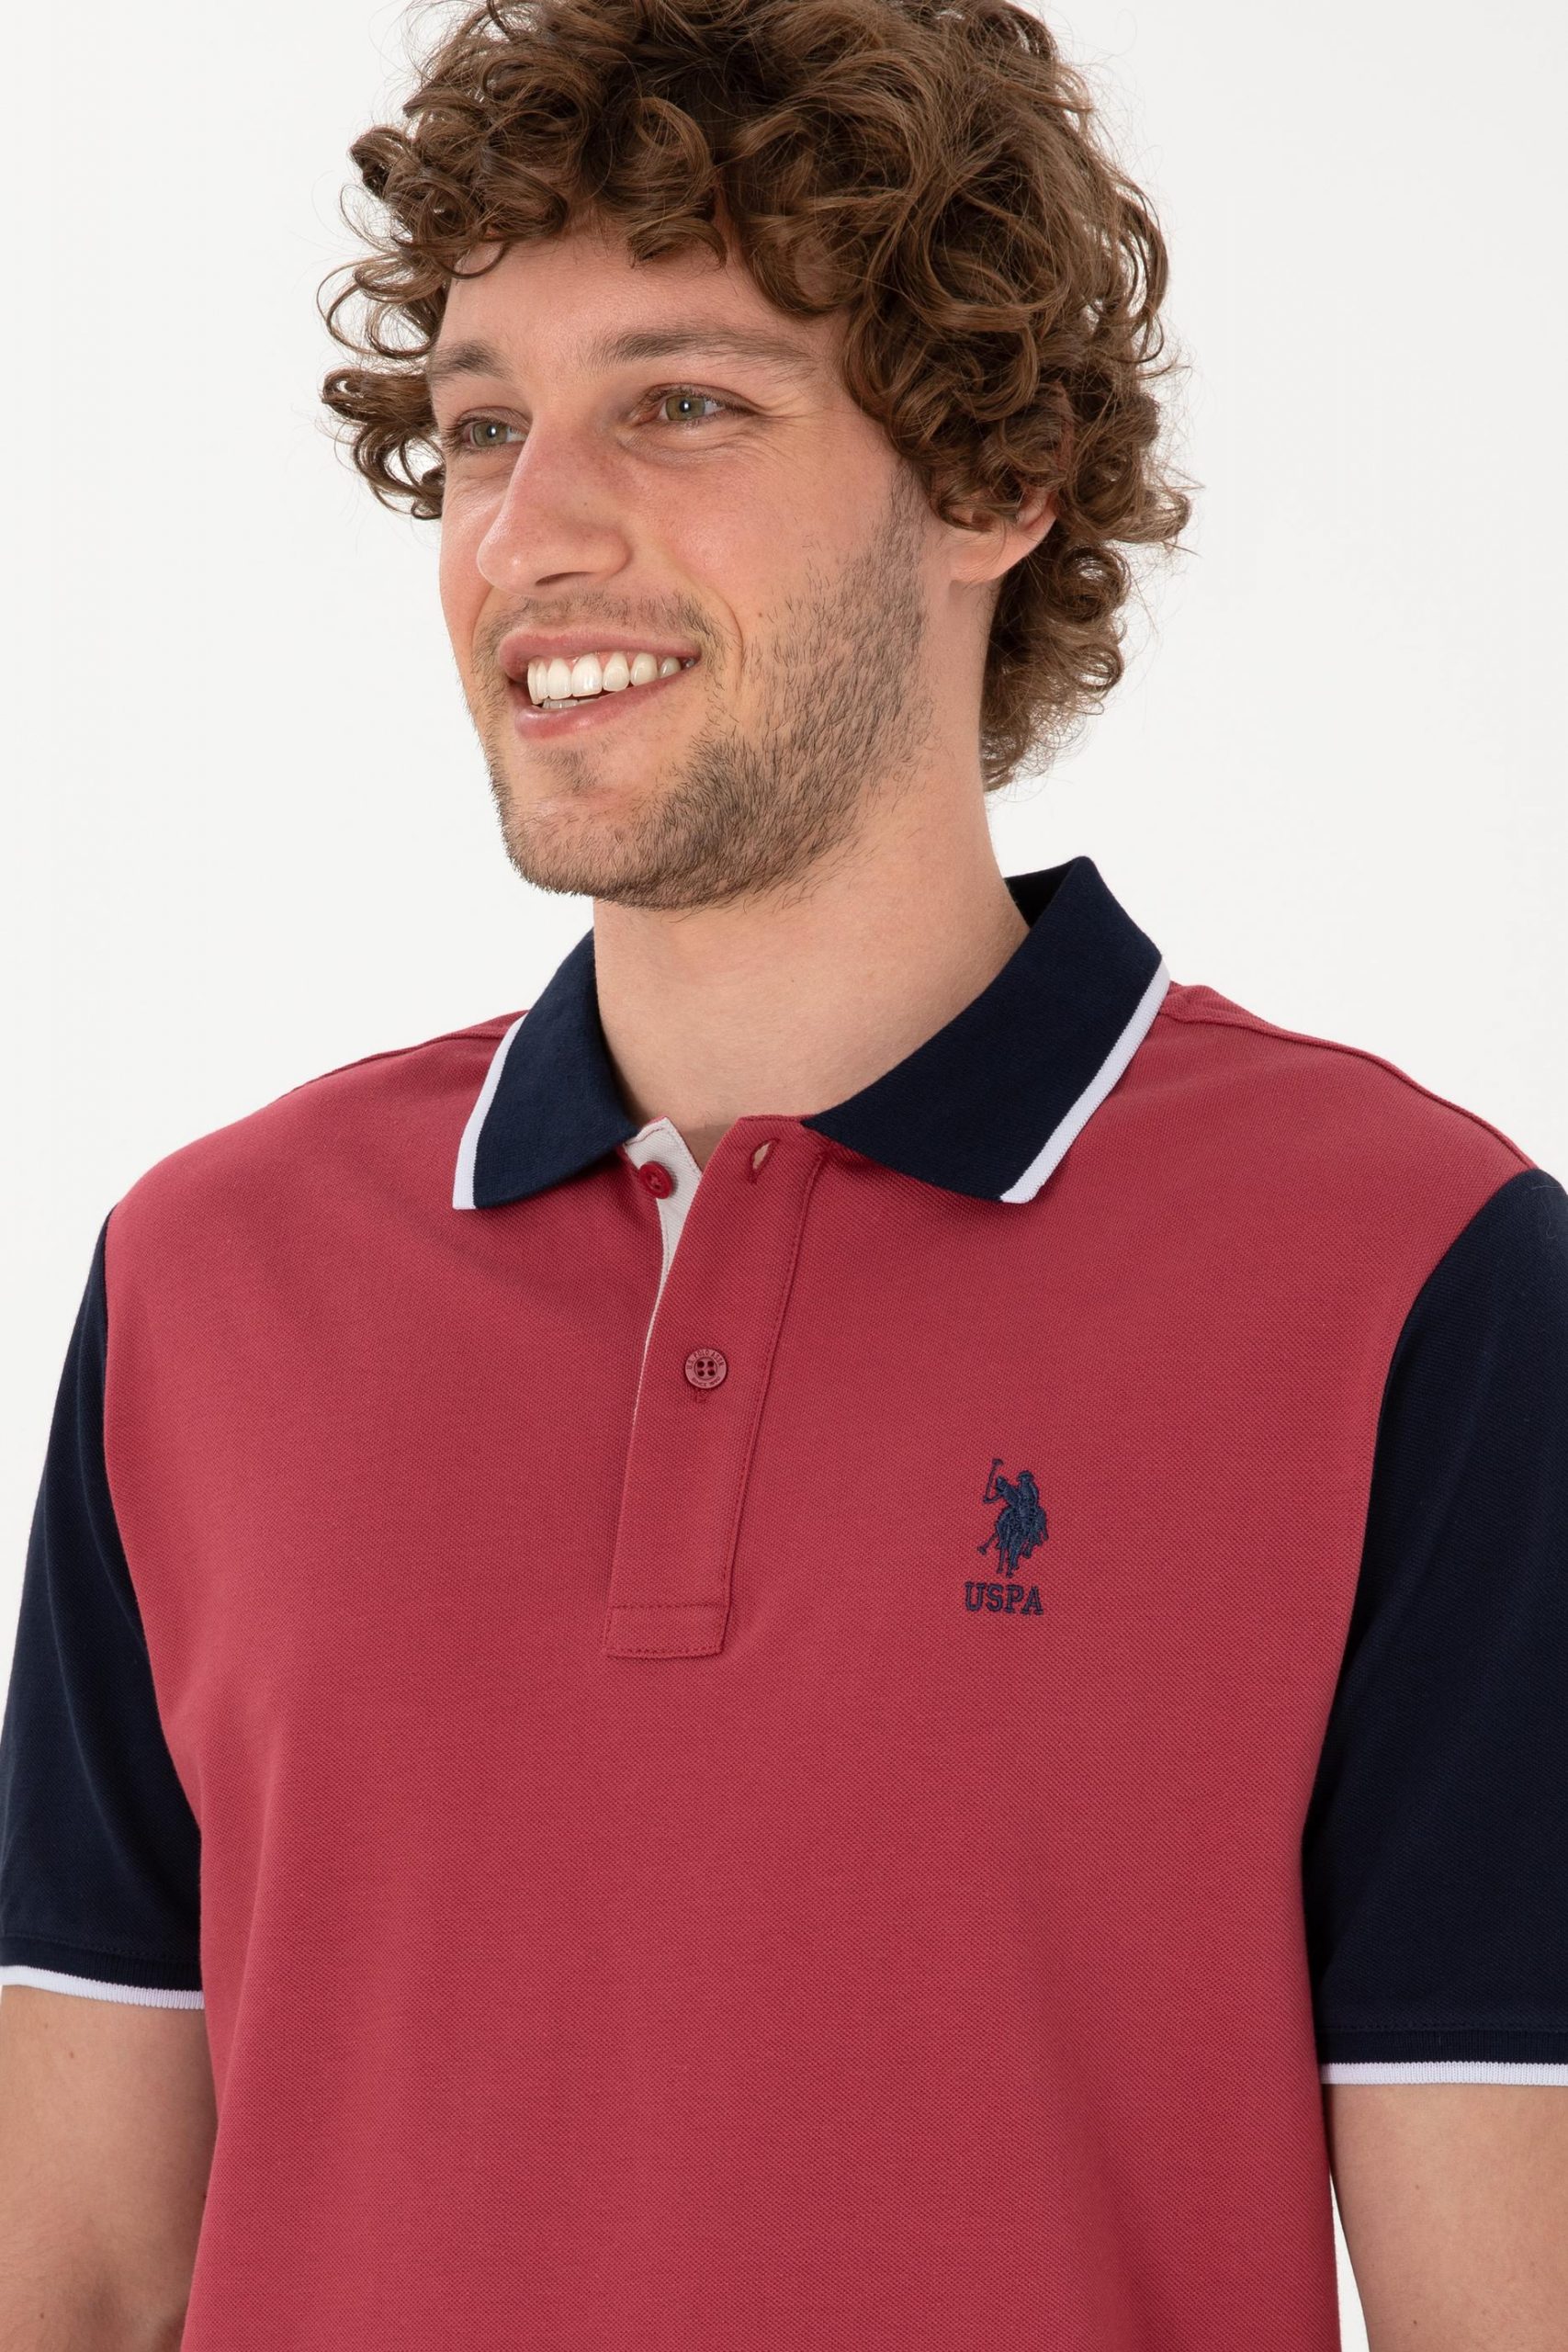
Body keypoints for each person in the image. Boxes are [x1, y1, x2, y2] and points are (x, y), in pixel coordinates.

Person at [2, 0, 1563, 2344]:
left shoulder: (1409, 1279)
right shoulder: (207, 1282)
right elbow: (80, 2276)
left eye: (682, 404)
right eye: (483, 424)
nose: (529, 531)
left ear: (993, 477)